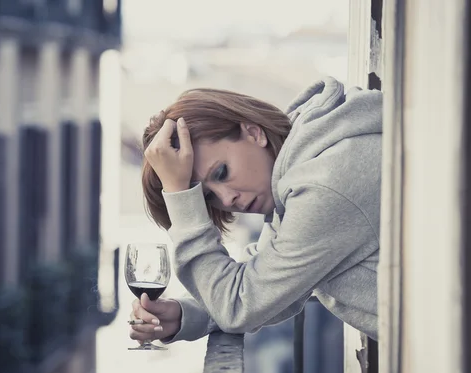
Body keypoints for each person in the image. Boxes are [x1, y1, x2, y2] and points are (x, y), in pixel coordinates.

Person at [129, 76, 382, 345]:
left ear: (253, 132)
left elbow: (239, 308)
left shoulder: (325, 184)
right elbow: (267, 282)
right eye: (208, 197)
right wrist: (186, 315)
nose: (227, 200)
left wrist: (180, 197)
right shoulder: (306, 163)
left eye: (221, 172)